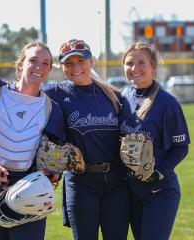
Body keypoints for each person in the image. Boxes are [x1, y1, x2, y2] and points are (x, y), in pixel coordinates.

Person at [45, 39, 130, 240]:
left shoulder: (113, 96)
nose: (75, 67)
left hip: (116, 182)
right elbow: (20, 95)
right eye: (68, 63)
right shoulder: (54, 94)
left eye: (80, 61)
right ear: (62, 67)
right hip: (81, 182)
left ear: (91, 61)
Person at [119, 41, 190, 240]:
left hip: (160, 192)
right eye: (129, 63)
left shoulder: (167, 102)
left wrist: (159, 173)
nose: (134, 68)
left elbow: (181, 147)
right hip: (131, 191)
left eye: (141, 62)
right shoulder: (123, 98)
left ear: (153, 67)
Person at [0, 42, 65, 240]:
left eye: (46, 63)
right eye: (33, 60)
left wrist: (53, 172)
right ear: (20, 64)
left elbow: (54, 153)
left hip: (29, 188)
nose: (39, 67)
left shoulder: (52, 109)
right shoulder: (1, 92)